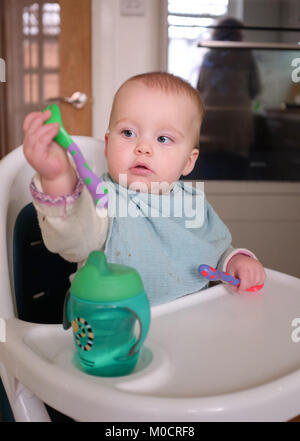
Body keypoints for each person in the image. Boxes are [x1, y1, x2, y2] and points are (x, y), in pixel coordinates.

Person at [23, 72, 265, 305]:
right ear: (107, 145)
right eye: (128, 133)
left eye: (163, 139)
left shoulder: (192, 204)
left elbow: (216, 249)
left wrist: (236, 261)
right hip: (117, 328)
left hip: (188, 326)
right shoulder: (102, 196)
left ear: (188, 161)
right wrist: (58, 178)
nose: (143, 147)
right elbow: (75, 237)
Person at [194, 17, 261, 180]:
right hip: (238, 118)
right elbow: (255, 88)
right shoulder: (246, 54)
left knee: (210, 166)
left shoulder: (210, 55)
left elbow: (200, 86)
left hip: (210, 117)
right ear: (239, 33)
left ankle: (213, 201)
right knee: (236, 168)